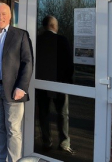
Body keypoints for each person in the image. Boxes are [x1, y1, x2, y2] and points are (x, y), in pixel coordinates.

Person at [0, 2, 33, 162]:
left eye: (3, 14)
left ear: (10, 16)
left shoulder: (21, 35)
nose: (0, 17)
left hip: (13, 90)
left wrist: (22, 87)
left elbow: (28, 62)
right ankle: (2, 159)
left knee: (13, 129)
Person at [35, 15, 75, 154]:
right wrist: (69, 82)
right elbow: (69, 63)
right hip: (60, 84)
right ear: (53, 25)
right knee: (63, 113)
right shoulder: (62, 40)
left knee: (44, 114)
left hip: (40, 84)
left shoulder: (37, 40)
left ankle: (47, 141)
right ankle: (64, 143)